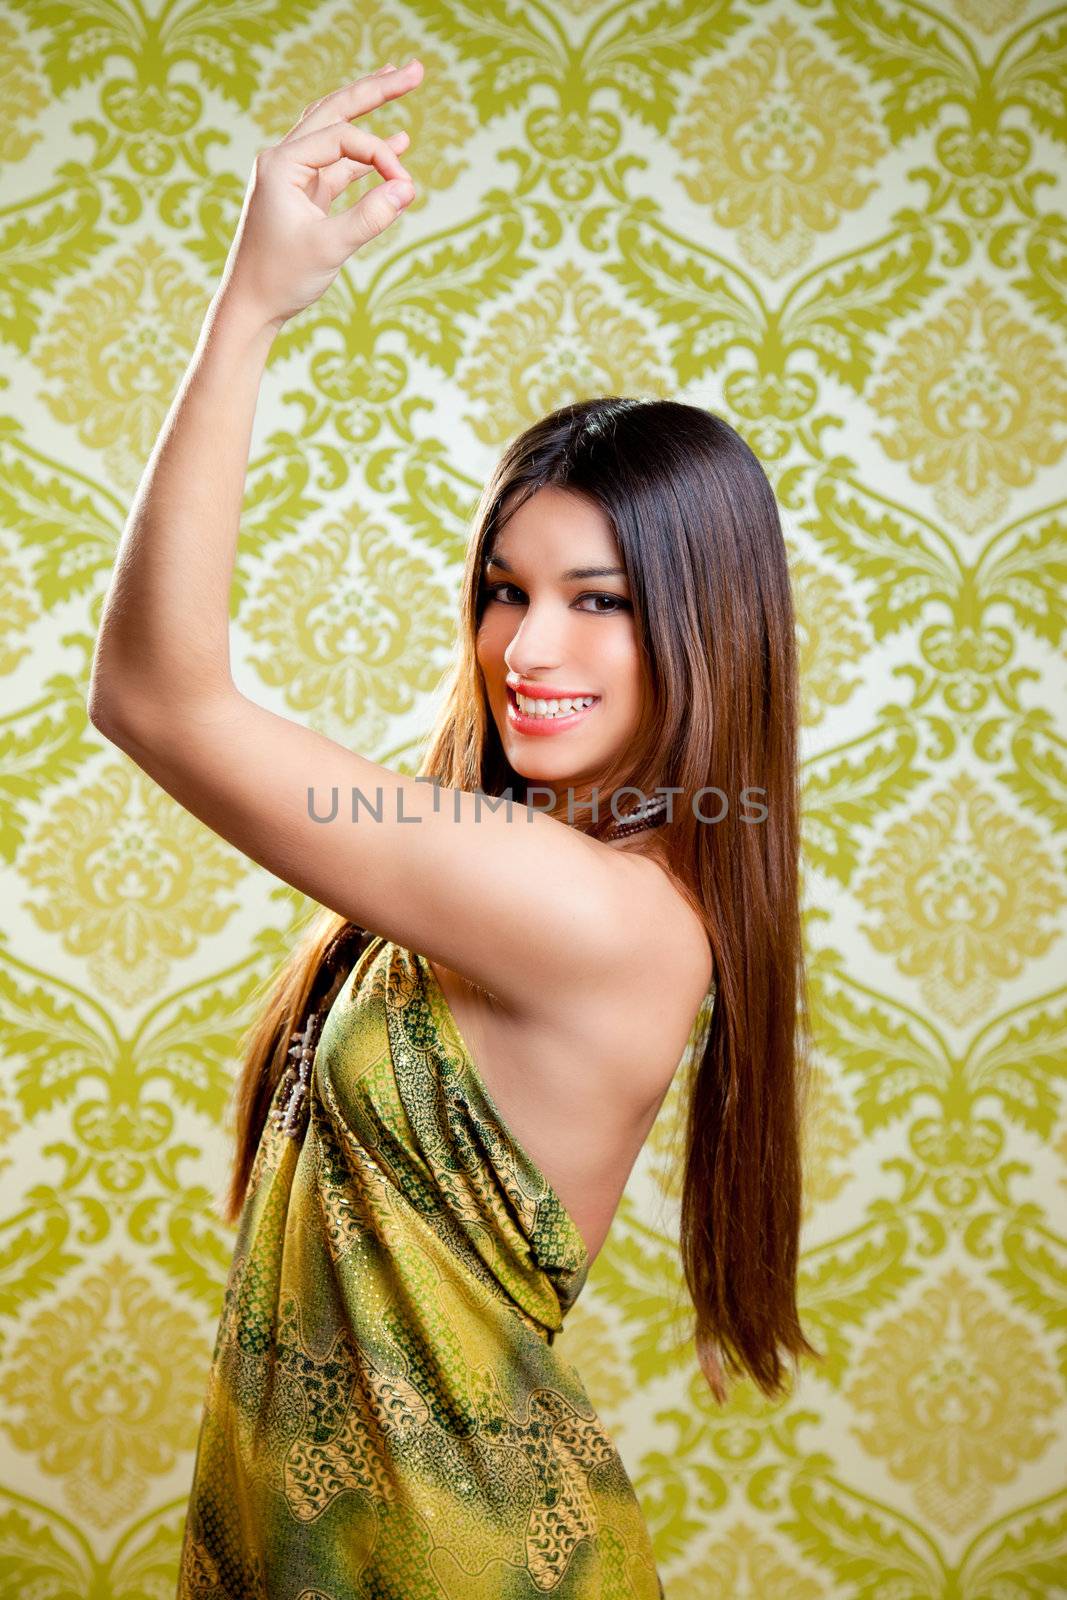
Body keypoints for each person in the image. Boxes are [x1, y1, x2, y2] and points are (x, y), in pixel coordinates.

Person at [87, 56, 819, 1600]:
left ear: (710, 627)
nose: (527, 651)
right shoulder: (524, 871)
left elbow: (157, 697)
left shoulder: (601, 910)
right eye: (507, 589)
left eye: (600, 603)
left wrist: (249, 308)